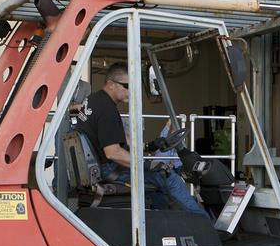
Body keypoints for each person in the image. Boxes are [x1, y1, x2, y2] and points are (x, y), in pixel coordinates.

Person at [80, 62, 208, 218]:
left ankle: (165, 223)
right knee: (166, 175)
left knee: (157, 177)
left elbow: (111, 140)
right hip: (107, 169)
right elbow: (113, 153)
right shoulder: (107, 110)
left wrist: (149, 146)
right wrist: (147, 164)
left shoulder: (94, 100)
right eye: (126, 85)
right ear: (111, 84)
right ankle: (203, 223)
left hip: (96, 166)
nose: (131, 91)